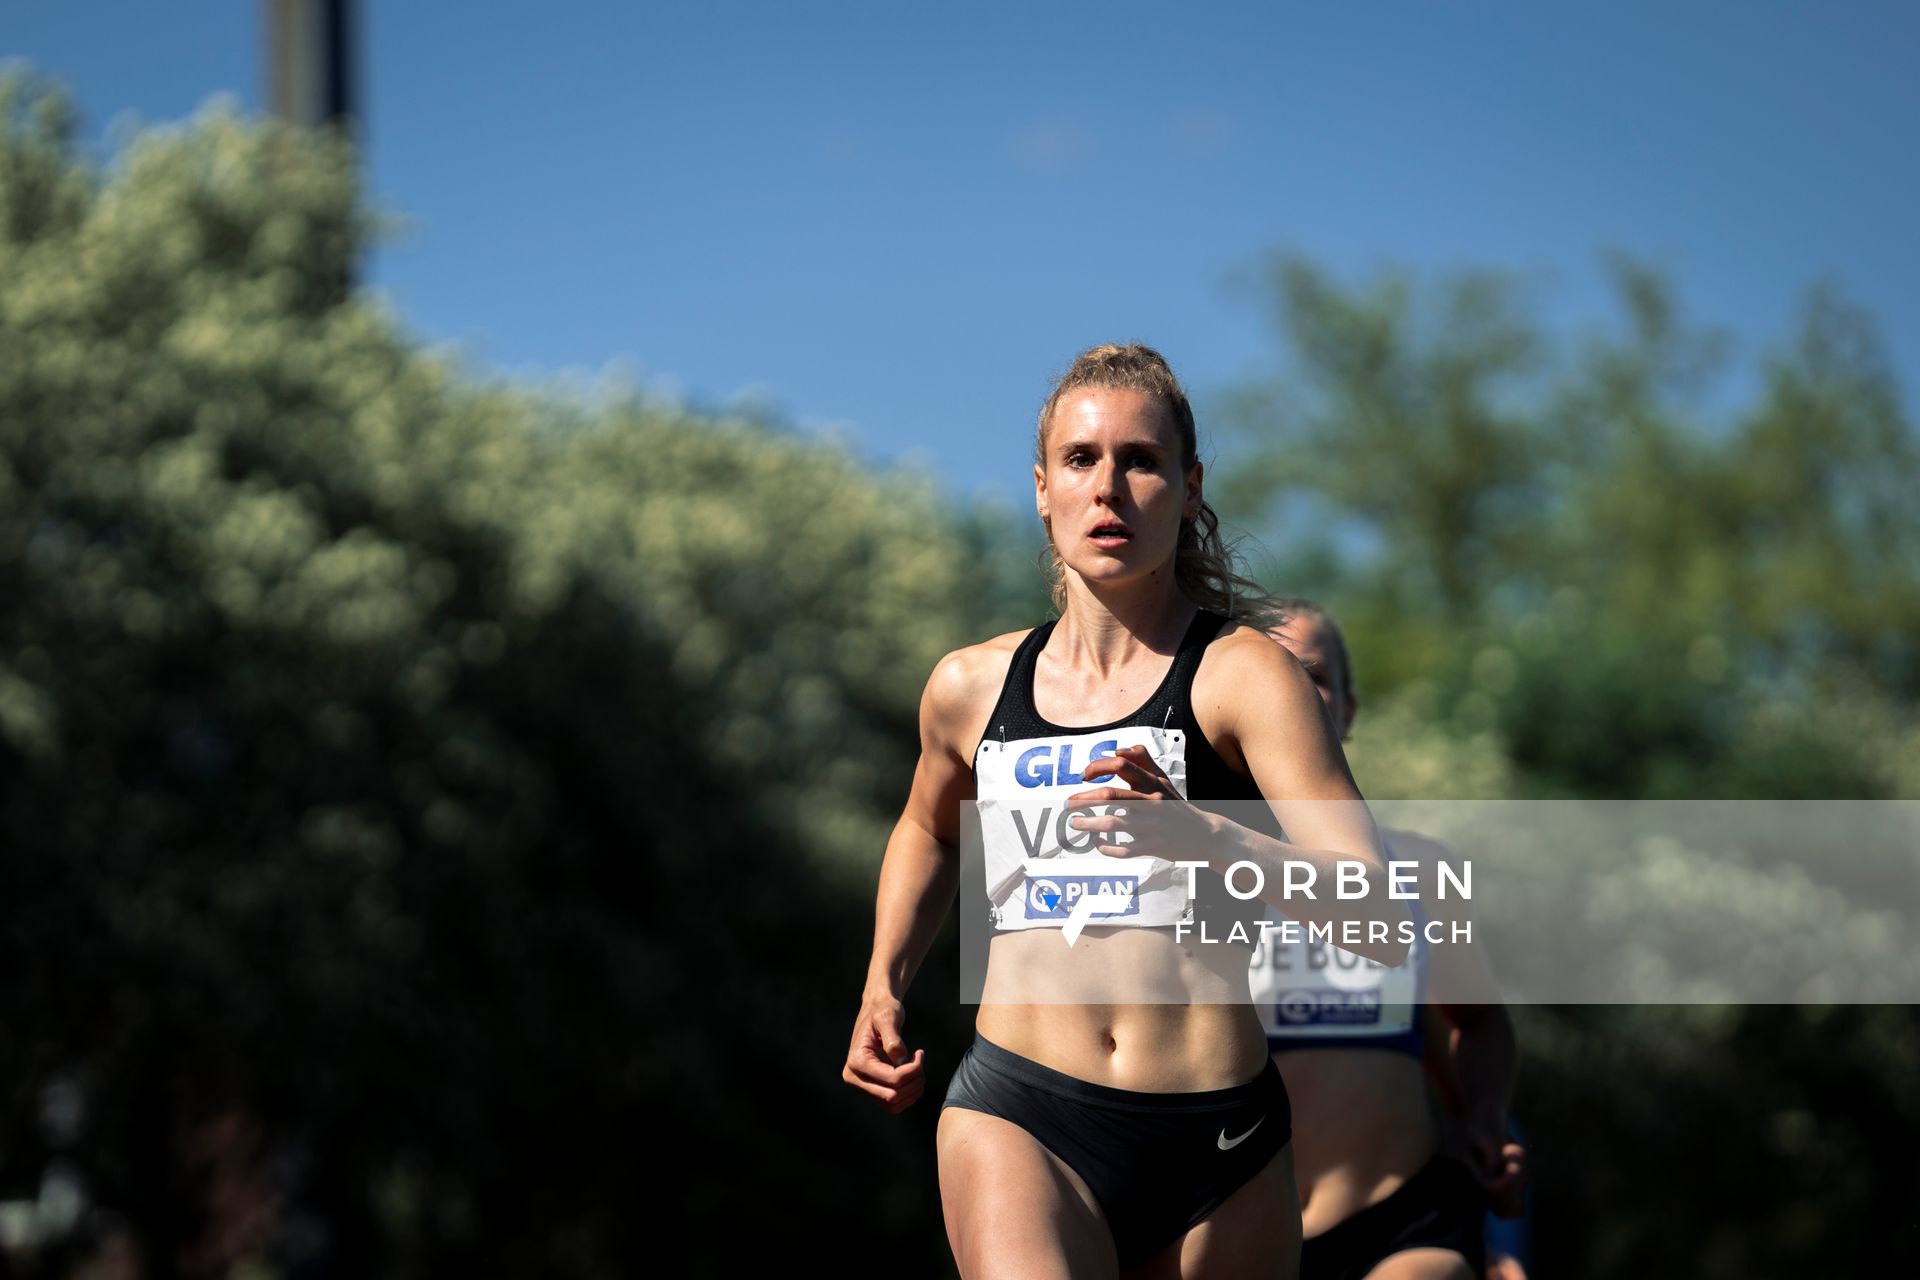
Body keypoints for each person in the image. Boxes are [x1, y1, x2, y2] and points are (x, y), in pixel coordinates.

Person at [842, 344, 1406, 1280]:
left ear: (1189, 489)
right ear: (1040, 488)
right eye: (1081, 460)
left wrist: (1208, 837)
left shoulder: (1246, 677)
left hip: (1221, 1139)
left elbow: (1376, 915)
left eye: (1141, 461)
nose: (1109, 488)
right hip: (1024, 1113)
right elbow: (930, 828)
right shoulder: (969, 688)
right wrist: (882, 980)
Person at [1252, 599, 1528, 1280]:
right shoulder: (1190, 863)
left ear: (1346, 709)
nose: (1292, 690)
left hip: (1404, 1223)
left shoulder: (1422, 867)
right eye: (1272, 672)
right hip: (1238, 1237)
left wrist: (1485, 1123)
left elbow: (1479, 1023)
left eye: (1313, 675)